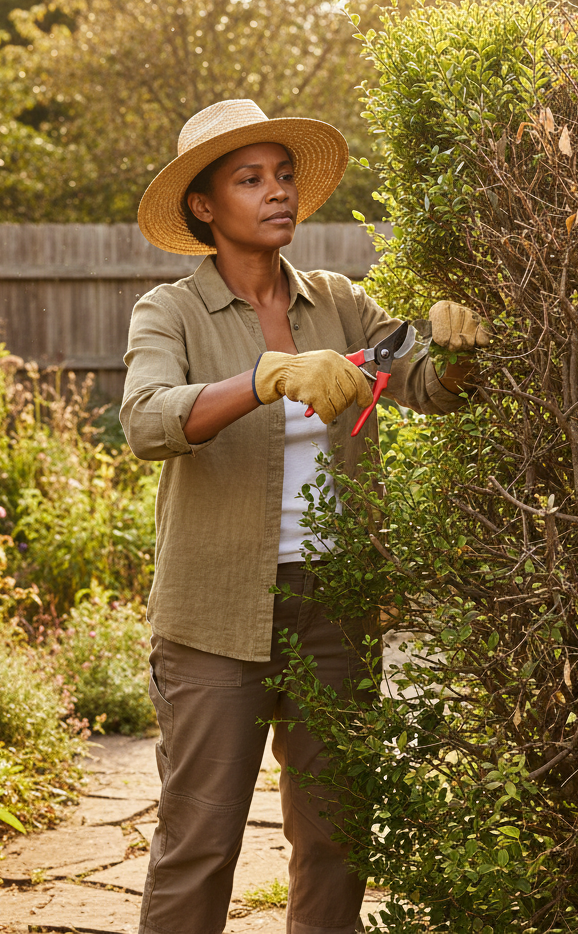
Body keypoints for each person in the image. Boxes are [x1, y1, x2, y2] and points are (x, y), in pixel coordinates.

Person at [121, 98, 490, 934]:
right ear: (205, 207)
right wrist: (263, 378)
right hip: (214, 616)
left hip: (337, 607)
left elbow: (426, 384)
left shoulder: (339, 303)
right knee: (200, 843)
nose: (277, 191)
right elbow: (146, 421)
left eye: (284, 176)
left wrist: (458, 348)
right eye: (250, 179)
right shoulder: (169, 311)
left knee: (335, 838)